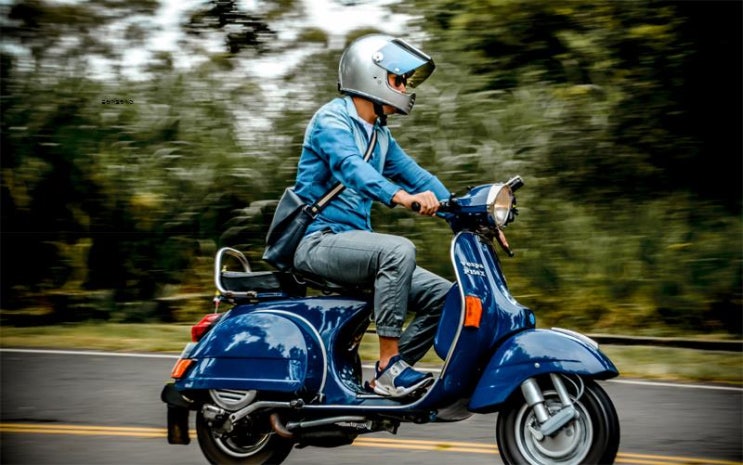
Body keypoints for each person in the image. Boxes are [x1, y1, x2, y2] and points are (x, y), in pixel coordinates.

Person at [291, 34, 452, 398]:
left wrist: (467, 212)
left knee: (445, 297)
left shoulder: (380, 137)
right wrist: (401, 198)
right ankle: (388, 365)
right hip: (318, 240)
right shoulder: (331, 120)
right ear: (372, 76)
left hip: (353, 245)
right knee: (398, 250)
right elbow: (350, 167)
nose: (404, 88)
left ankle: (389, 377)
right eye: (398, 79)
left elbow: (418, 177)